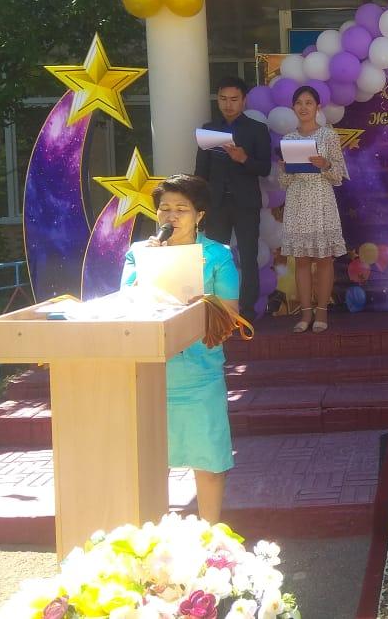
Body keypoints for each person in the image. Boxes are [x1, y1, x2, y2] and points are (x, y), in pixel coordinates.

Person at [121, 174, 236, 523]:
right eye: (164, 208)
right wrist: (149, 268)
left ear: (199, 215)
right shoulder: (139, 253)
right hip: (150, 375)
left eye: (181, 209)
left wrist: (200, 299)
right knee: (149, 465)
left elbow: (231, 315)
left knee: (209, 462)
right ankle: (152, 540)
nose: (171, 216)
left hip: (199, 374)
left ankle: (211, 537)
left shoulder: (217, 255)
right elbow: (125, 304)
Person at [195, 76, 272, 324]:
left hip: (246, 203)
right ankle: (215, 313)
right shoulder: (209, 129)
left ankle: (247, 313)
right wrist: (199, 205)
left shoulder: (256, 129)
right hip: (215, 204)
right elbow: (200, 171)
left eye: (234, 99)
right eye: (223, 99)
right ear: (218, 100)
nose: (228, 105)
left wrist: (244, 159)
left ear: (244, 100)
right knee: (213, 258)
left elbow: (265, 168)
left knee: (248, 258)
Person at [277, 85, 349, 333]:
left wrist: (325, 164)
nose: (303, 107)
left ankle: (322, 313)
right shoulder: (288, 139)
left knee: (325, 259)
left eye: (308, 102)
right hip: (297, 202)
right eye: (299, 103)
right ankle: (305, 314)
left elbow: (338, 175)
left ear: (318, 107)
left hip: (321, 201)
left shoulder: (328, 136)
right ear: (293, 107)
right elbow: (284, 182)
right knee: (301, 260)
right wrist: (284, 169)